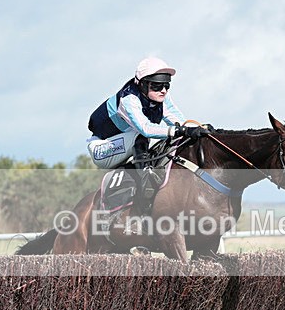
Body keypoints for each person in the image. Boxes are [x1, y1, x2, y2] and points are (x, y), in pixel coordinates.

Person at [86, 57, 210, 203]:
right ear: (143, 85)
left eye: (166, 85)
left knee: (173, 136)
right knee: (143, 135)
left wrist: (200, 130)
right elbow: (145, 128)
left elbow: (179, 122)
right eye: (157, 86)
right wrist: (178, 131)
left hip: (126, 143)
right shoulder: (128, 100)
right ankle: (146, 182)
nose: (163, 90)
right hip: (102, 150)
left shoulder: (162, 97)